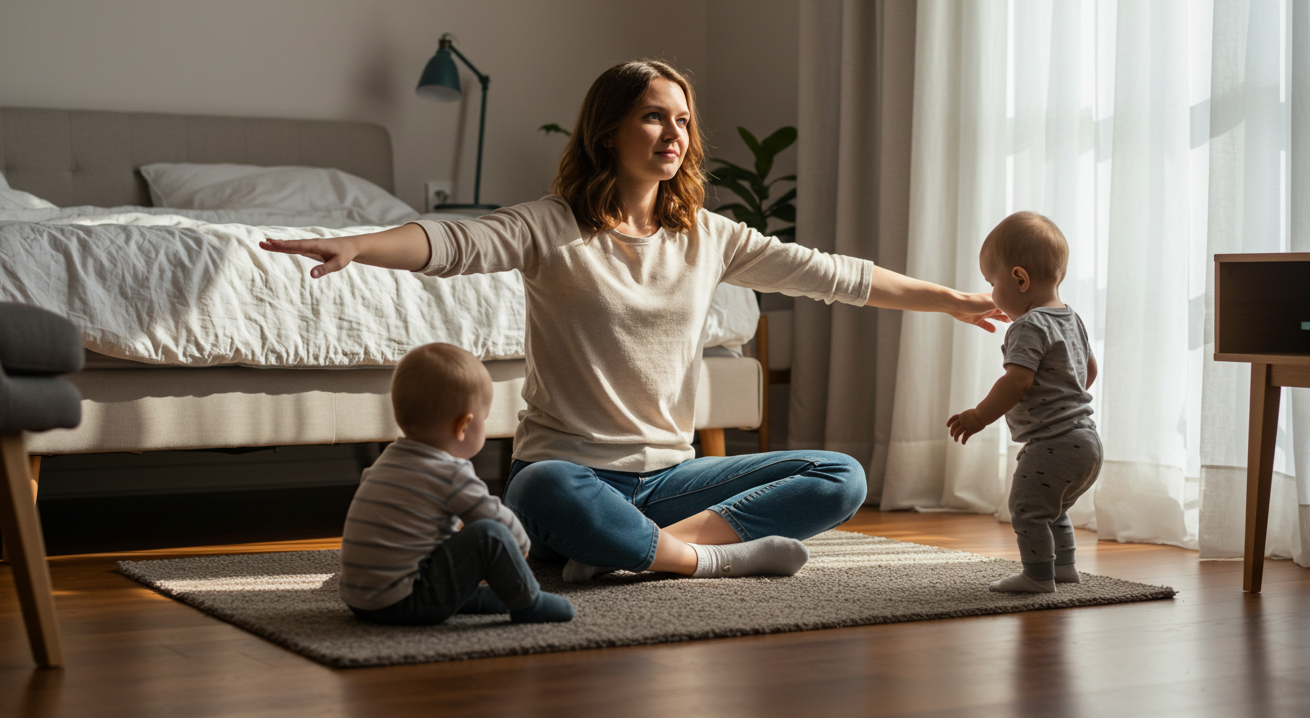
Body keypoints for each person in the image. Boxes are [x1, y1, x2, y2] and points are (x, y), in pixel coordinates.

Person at [262, 60, 1003, 584]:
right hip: (571, 474)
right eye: (653, 115)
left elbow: (836, 276)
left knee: (839, 475)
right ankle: (702, 559)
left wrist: (954, 299)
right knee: (543, 491)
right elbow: (452, 242)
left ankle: (634, 553)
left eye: (682, 119)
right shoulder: (552, 227)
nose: (672, 132)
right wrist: (362, 244)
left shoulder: (710, 237)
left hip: (669, 479)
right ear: (608, 130)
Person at [338, 342, 574, 624]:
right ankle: (529, 602)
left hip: (361, 601)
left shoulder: (385, 463)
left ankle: (482, 599)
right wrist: (520, 540)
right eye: (483, 421)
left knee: (452, 549)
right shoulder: (449, 472)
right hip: (404, 602)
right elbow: (492, 519)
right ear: (463, 426)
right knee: (489, 533)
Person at [946, 211, 1102, 593]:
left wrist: (978, 416)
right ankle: (1063, 568)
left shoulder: (1028, 326)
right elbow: (1089, 371)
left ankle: (1037, 576)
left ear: (1019, 278)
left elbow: (1017, 380)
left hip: (1053, 443)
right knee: (1053, 509)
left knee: (1026, 509)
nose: (992, 294)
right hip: (1087, 441)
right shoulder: (1071, 318)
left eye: (992, 283)